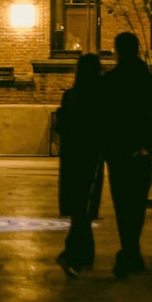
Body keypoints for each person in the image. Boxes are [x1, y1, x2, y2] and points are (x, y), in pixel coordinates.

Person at [100, 32, 152, 278]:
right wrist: (150, 145)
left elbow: (103, 117)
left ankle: (129, 249)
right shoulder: (150, 81)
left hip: (118, 150)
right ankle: (131, 249)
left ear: (117, 50)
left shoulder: (110, 81)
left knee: (122, 201)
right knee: (138, 201)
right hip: (142, 150)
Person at [55, 53, 104, 278]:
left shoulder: (71, 96)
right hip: (91, 157)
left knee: (78, 207)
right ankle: (77, 253)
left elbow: (61, 126)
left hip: (72, 157)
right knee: (84, 207)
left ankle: (78, 253)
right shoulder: (100, 97)